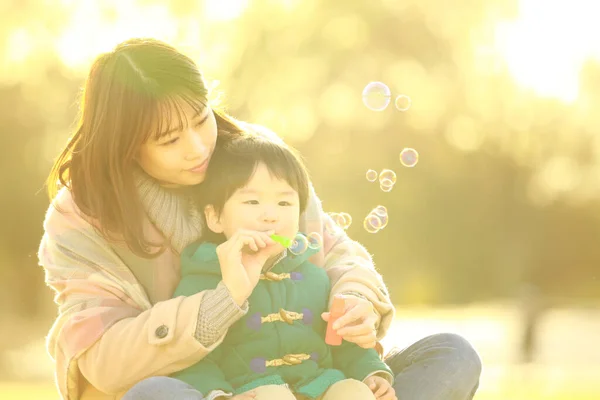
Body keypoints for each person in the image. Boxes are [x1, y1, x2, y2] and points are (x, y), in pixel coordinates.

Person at [38, 37, 481, 400]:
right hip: (206, 387)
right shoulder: (82, 217)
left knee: (452, 354)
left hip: (316, 380)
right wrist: (220, 304)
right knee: (152, 395)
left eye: (200, 119)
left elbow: (337, 254)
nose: (197, 147)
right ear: (126, 145)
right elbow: (102, 360)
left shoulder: (256, 159)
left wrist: (355, 301)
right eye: (171, 139)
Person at [170, 132, 396, 400]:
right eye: (252, 201)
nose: (270, 215)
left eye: (284, 202)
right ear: (215, 217)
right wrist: (219, 395)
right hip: (249, 390)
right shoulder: (202, 281)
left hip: (319, 385)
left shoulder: (315, 276)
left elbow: (344, 343)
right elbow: (192, 358)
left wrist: (371, 373)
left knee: (354, 392)